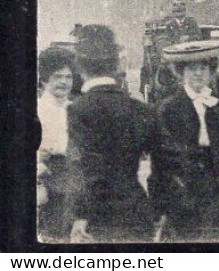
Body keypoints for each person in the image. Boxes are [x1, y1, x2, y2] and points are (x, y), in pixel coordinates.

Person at [149, 39, 219, 241]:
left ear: (212, 71)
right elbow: (160, 161)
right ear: (181, 73)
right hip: (182, 191)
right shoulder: (168, 108)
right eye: (192, 68)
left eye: (204, 68)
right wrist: (159, 206)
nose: (199, 73)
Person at [67, 25, 159, 242]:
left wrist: (81, 215)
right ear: (116, 64)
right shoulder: (140, 108)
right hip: (137, 211)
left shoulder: (78, 109)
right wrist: (159, 208)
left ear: (80, 67)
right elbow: (165, 163)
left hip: (97, 221)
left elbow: (88, 168)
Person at [37, 45, 77, 240]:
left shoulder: (75, 109)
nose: (63, 81)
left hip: (76, 182)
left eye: (68, 77)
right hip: (50, 182)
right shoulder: (36, 110)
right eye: (57, 76)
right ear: (44, 79)